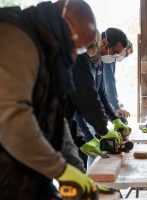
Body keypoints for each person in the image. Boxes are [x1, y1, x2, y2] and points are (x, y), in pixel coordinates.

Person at [0, 0, 98, 199]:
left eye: (79, 51)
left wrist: (78, 173)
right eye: (74, 46)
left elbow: (55, 119)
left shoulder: (51, 54)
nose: (73, 54)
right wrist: (60, 169)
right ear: (63, 25)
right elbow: (13, 123)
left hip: (25, 179)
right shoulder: (16, 38)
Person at [67, 29, 131, 167]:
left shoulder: (98, 64)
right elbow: (81, 103)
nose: (113, 57)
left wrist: (115, 119)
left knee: (90, 167)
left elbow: (101, 95)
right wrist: (90, 135)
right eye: (114, 52)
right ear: (104, 42)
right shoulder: (81, 61)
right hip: (75, 125)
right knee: (80, 167)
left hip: (83, 126)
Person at [102, 30, 132, 119]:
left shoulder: (111, 58)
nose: (125, 56)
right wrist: (116, 106)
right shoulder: (108, 57)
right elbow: (109, 82)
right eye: (126, 53)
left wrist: (117, 105)